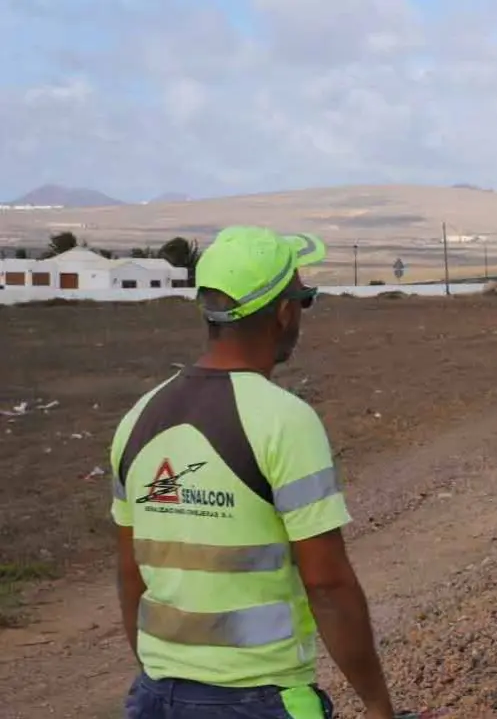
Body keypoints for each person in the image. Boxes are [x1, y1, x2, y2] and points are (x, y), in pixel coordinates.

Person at [108, 226, 398, 719]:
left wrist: (165, 677)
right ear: (284, 313)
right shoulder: (285, 421)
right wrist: (378, 705)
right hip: (261, 699)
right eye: (303, 300)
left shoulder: (138, 417)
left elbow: (130, 570)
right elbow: (327, 584)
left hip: (155, 695)